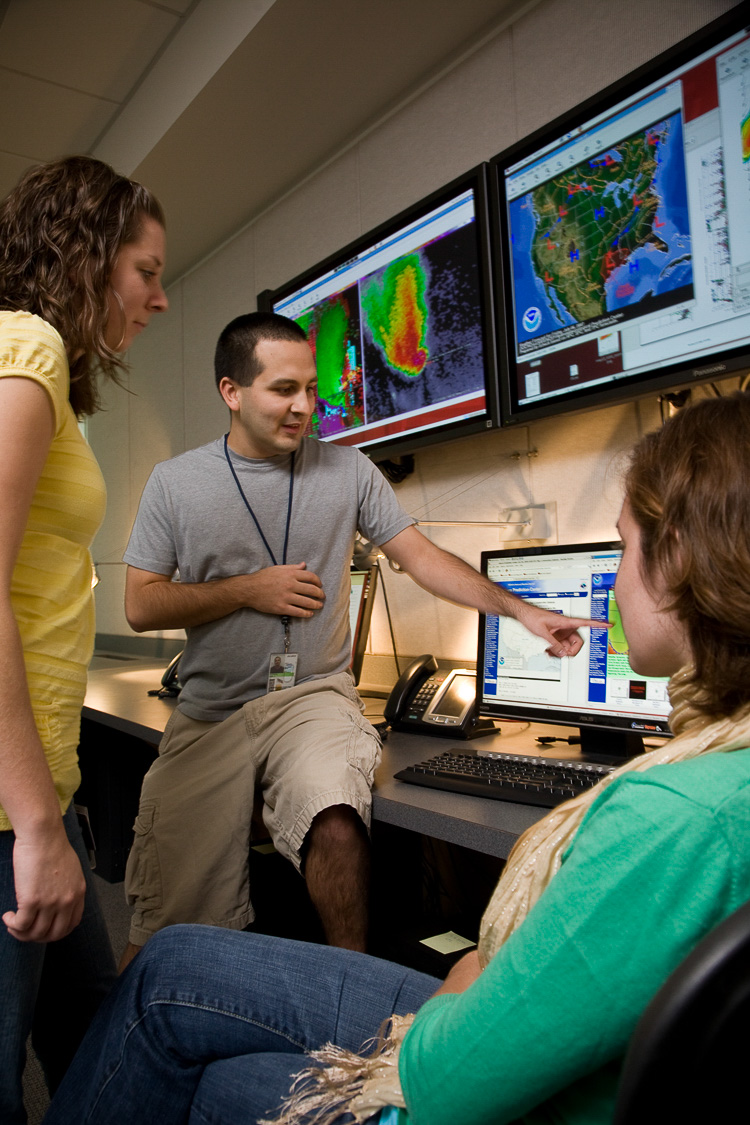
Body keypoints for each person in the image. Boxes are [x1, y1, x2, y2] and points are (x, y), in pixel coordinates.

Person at [43, 390, 750, 1125]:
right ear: (231, 392)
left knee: (202, 1058)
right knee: (169, 954)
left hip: (462, 1075)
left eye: (626, 546)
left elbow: (449, 1079)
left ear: (681, 562)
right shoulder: (716, 776)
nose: (303, 404)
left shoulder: (665, 819)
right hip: (530, 1027)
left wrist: (472, 967)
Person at [118, 311, 595, 966]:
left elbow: (422, 557)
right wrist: (247, 589)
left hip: (313, 695)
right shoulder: (176, 483)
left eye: (311, 389)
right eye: (283, 389)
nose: (303, 407)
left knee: (336, 815)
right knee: (164, 915)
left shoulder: (348, 470)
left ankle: (355, 988)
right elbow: (140, 604)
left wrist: (521, 610)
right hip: (212, 711)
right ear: (231, 391)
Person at [0, 155, 168, 1123]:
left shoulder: (41, 368)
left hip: (40, 789)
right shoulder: (28, 348)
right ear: (86, 255)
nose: (155, 295)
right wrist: (33, 827)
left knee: (97, 1044)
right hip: (13, 809)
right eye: (143, 270)